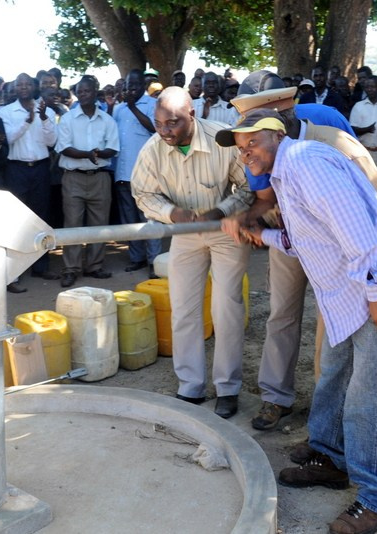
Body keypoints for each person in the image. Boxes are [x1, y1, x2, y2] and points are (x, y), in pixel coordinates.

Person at [223, 115, 377, 534]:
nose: (246, 152)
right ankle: (330, 458)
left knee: (370, 398)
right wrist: (258, 235)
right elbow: (307, 239)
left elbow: (356, 230)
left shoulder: (304, 162)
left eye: (253, 143)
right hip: (350, 293)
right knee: (334, 376)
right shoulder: (285, 174)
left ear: (278, 136)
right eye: (240, 147)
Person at [132, 87, 253, 418]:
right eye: (159, 124)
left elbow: (247, 186)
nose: (165, 131)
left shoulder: (221, 140)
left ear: (193, 115)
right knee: (184, 307)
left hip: (226, 230)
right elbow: (143, 193)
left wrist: (221, 211)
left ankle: (228, 388)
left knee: (226, 306)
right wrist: (173, 214)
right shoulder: (153, 149)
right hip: (184, 233)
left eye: (172, 123)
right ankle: (190, 386)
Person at [56, 76, 119, 288]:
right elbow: (64, 147)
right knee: (72, 224)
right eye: (80, 91)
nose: (83, 94)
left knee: (99, 224)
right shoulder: (68, 119)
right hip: (73, 177)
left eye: (87, 91)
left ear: (95, 92)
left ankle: (94, 266)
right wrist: (88, 154)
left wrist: (97, 154)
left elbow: (114, 148)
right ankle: (71, 269)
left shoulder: (107, 120)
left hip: (100, 177)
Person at [0, 73, 59, 287]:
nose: (23, 87)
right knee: (16, 220)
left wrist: (42, 119)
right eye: (19, 85)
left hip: (41, 169)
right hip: (16, 169)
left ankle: (41, 267)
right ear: (15, 88)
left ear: (34, 87)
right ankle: (14, 272)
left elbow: (52, 141)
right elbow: (9, 138)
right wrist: (28, 120)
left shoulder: (47, 110)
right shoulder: (6, 112)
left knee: (41, 219)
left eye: (27, 84)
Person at [112, 69, 160, 277]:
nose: (130, 90)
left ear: (143, 86)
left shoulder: (152, 105)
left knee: (149, 218)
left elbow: (155, 129)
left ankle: (154, 261)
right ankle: (137, 258)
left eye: (134, 86)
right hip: (123, 174)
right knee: (130, 220)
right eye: (127, 86)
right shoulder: (119, 109)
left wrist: (133, 107)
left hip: (145, 174)